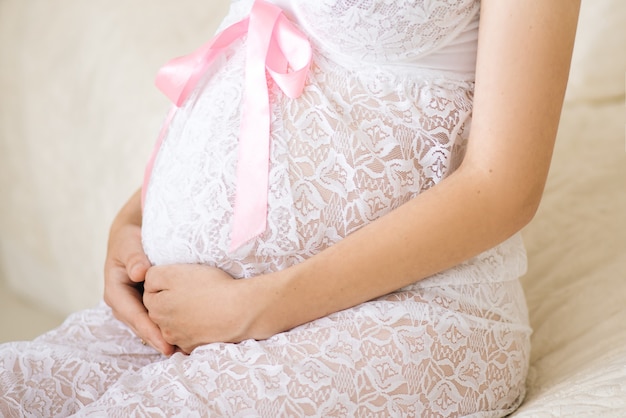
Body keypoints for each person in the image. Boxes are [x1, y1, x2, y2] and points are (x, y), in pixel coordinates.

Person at [0, 0, 580, 416]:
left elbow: (504, 187)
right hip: (198, 311)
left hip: (415, 310)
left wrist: (254, 307)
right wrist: (134, 223)